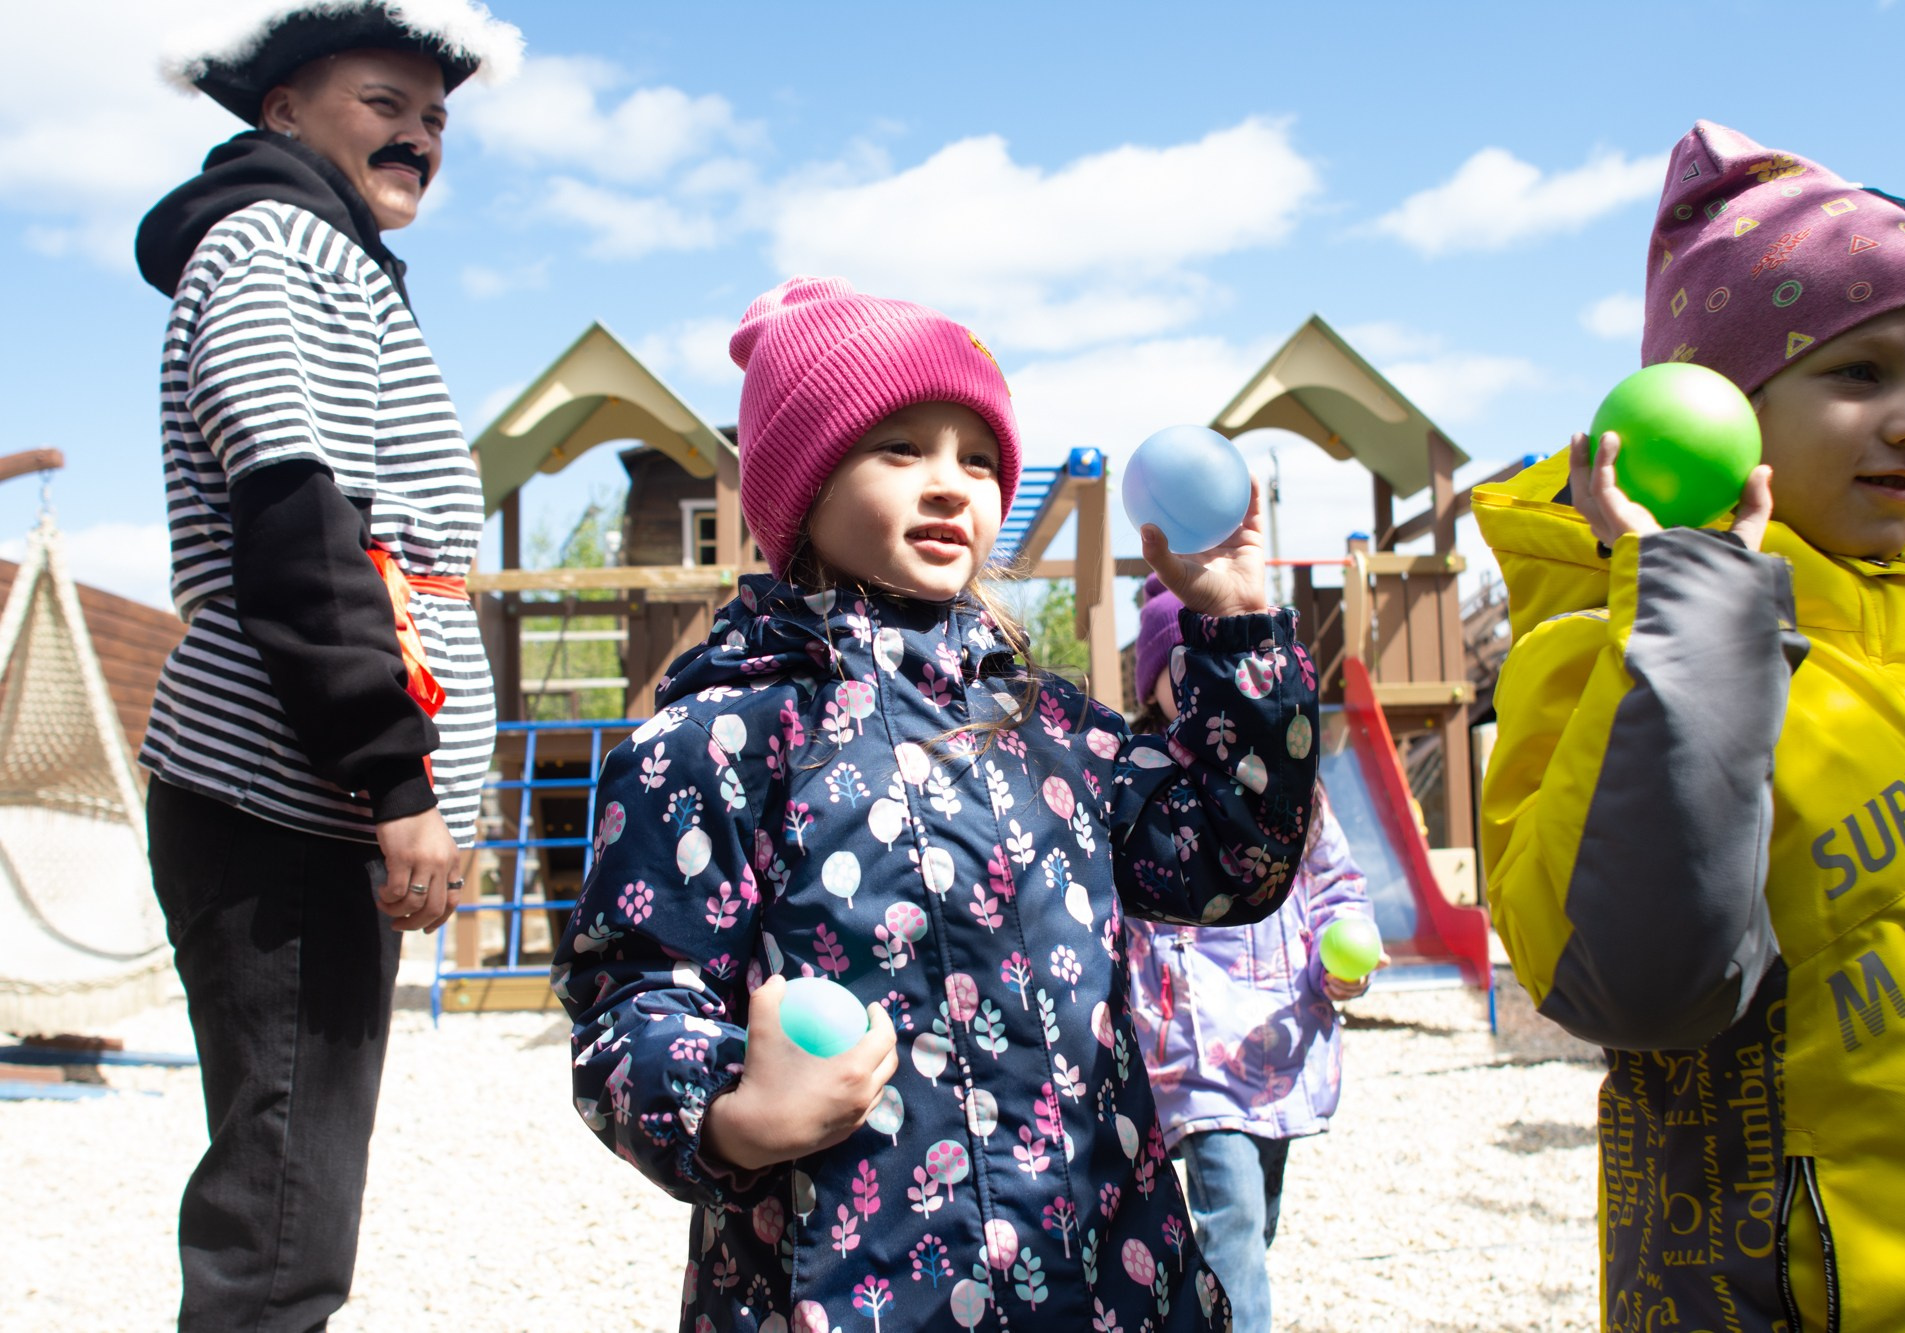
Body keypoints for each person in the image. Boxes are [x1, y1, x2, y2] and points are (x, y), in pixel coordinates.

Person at [554, 276, 1321, 1330]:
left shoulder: (1046, 725)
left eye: (976, 457)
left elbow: (1227, 864)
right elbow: (628, 1005)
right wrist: (730, 1105)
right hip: (849, 1283)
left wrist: (1239, 639)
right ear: (802, 482)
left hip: (1097, 1273)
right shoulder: (718, 739)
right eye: (900, 449)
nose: (951, 484)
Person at [1476, 121, 1905, 1330]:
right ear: (1708, 412)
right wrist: (1695, 614)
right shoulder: (1596, 653)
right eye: (1858, 376)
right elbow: (1634, 978)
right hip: (1795, 1287)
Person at [134, 3, 518, 1327]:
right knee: (283, 1217)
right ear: (281, 110)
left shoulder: (331, 258)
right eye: (384, 102)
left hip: (309, 802)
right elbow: (298, 519)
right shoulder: (274, 247)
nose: (419, 133)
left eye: (436, 118)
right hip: (285, 804)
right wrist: (393, 780)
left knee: (296, 1184)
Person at [1123, 575, 1377, 1333]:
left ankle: (1196, 1307)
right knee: (1233, 1220)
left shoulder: (1293, 796)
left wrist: (1344, 960)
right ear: (1159, 689)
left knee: (1253, 1222)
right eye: (1190, 674)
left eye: (1226, 671)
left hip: (1279, 1035)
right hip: (1196, 1054)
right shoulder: (1142, 783)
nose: (1212, 688)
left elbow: (1336, 885)